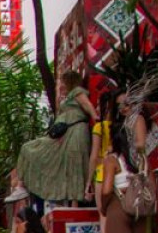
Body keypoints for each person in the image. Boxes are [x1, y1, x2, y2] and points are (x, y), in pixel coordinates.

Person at [15, 71, 98, 204]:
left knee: (74, 165)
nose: (61, 86)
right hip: (65, 134)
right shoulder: (67, 98)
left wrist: (96, 118)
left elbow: (87, 105)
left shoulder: (77, 92)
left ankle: (74, 204)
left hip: (75, 132)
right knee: (30, 149)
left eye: (63, 83)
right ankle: (22, 185)